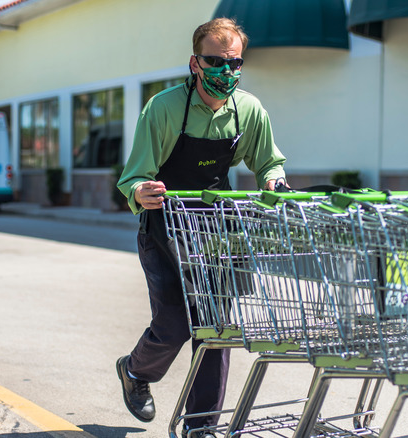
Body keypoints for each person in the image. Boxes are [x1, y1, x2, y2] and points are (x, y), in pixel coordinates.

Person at [115, 18, 287, 437]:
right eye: (215, 62)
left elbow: (268, 162)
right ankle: (135, 372)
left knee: (215, 328)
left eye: (234, 63)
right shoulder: (164, 108)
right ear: (196, 63)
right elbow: (134, 176)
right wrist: (141, 192)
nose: (225, 71)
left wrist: (273, 181)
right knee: (173, 323)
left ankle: (201, 427)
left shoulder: (248, 109)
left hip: (214, 230)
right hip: (165, 226)